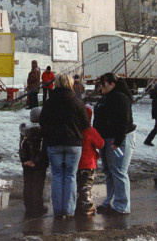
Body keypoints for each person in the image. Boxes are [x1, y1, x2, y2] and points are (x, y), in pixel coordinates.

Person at [39, 73, 89, 217]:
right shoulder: (77, 101)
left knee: (57, 175)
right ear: (71, 83)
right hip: (74, 143)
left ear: (56, 83)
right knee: (70, 176)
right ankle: (69, 210)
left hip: (54, 143)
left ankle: (58, 210)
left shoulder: (49, 101)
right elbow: (86, 123)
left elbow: (43, 121)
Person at [93, 72, 136, 215]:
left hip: (118, 140)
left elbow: (123, 121)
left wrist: (118, 141)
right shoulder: (106, 97)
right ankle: (109, 202)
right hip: (106, 139)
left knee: (118, 171)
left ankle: (122, 206)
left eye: (103, 83)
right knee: (109, 171)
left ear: (112, 84)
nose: (101, 86)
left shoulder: (120, 98)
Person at [19, 107, 49, 217]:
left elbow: (21, 148)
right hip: (39, 164)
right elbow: (43, 149)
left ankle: (28, 207)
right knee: (38, 186)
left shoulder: (25, 132)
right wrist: (37, 161)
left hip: (26, 163)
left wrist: (24, 161)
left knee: (27, 185)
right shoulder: (43, 131)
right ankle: (37, 208)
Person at [76, 104, 104, 215]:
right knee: (86, 187)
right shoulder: (90, 130)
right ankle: (87, 208)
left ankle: (78, 205)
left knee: (78, 186)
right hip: (89, 164)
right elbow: (101, 144)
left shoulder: (75, 129)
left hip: (77, 164)